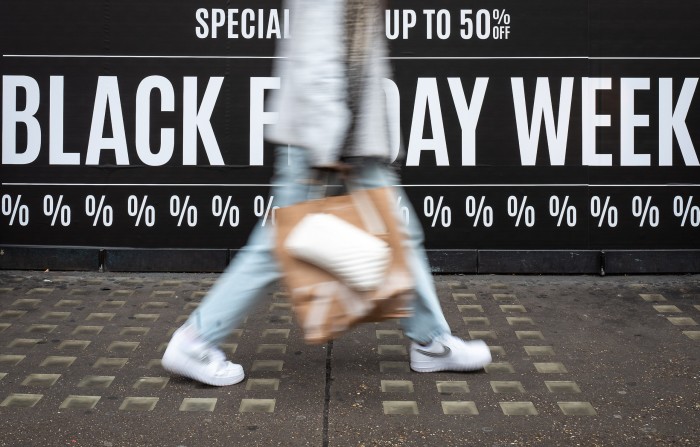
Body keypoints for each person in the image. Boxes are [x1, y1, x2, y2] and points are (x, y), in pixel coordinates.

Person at [162, 0, 492, 386]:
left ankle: (431, 341)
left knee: (397, 234)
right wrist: (328, 143)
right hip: (325, 140)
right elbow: (316, 54)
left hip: (350, 139)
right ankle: (195, 340)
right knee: (280, 245)